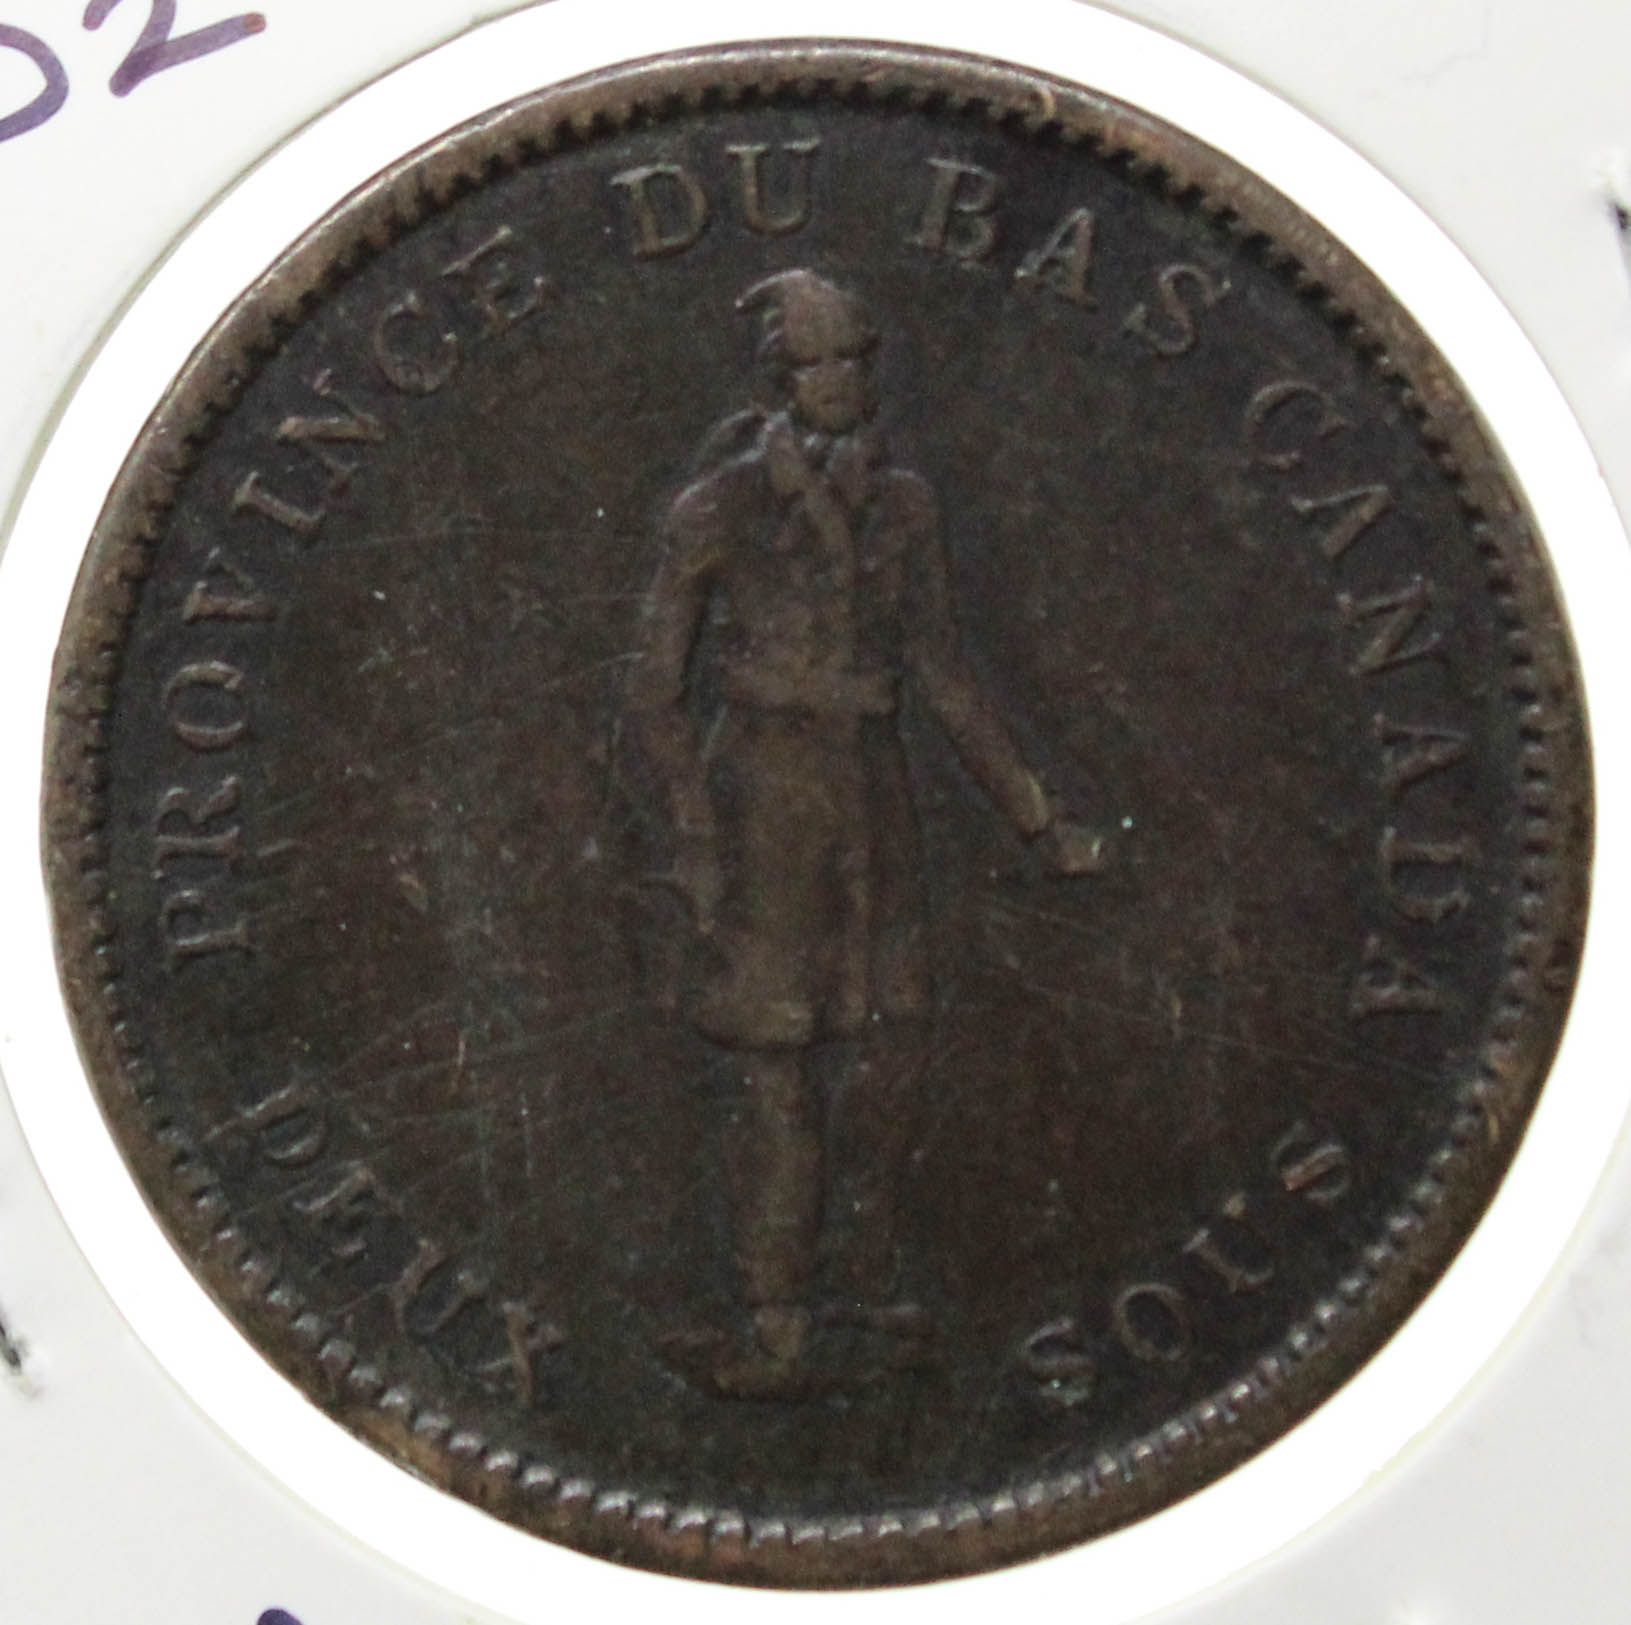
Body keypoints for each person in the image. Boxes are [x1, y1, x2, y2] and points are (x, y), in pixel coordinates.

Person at [627, 269, 1105, 1397]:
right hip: (762, 799)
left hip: (872, 797)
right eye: (818, 361)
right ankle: (773, 1318)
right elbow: (653, 689)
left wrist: (1035, 817)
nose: (842, 380)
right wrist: (693, 836)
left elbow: (942, 670)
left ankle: (866, 1286)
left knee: (888, 1052)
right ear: (777, 378)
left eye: (855, 357)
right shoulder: (717, 509)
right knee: (776, 1067)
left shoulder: (904, 507)